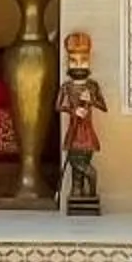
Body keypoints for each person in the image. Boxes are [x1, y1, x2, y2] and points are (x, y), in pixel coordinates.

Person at [57, 30, 108, 215]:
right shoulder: (67, 87)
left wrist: (91, 99)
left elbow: (103, 106)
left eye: (83, 60)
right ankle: (77, 191)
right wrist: (73, 110)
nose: (79, 65)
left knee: (84, 162)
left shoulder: (92, 86)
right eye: (73, 61)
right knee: (73, 162)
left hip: (86, 131)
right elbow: (58, 106)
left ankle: (91, 187)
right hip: (73, 130)